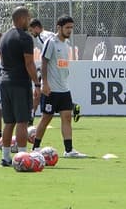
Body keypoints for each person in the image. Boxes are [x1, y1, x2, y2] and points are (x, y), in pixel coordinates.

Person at [32, 15, 87, 158]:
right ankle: (35, 148)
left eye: (71, 28)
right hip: (51, 89)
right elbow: (44, 62)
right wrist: (44, 83)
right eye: (67, 27)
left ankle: (69, 150)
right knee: (46, 118)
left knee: (67, 117)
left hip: (64, 89)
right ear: (59, 28)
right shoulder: (51, 42)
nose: (70, 30)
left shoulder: (66, 44)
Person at [0, 6, 41, 167]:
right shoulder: (25, 38)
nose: (29, 22)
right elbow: (29, 63)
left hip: (5, 81)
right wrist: (37, 84)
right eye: (28, 18)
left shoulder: (4, 37)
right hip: (19, 83)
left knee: (9, 122)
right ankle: (23, 156)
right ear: (22, 19)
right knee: (22, 121)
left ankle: (6, 157)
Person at [29, 18, 81, 123]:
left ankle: (31, 117)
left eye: (31, 31)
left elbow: (47, 53)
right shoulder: (50, 34)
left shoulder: (42, 37)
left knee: (38, 92)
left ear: (37, 28)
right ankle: (72, 105)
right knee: (40, 94)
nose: (31, 33)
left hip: (50, 69)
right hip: (56, 68)